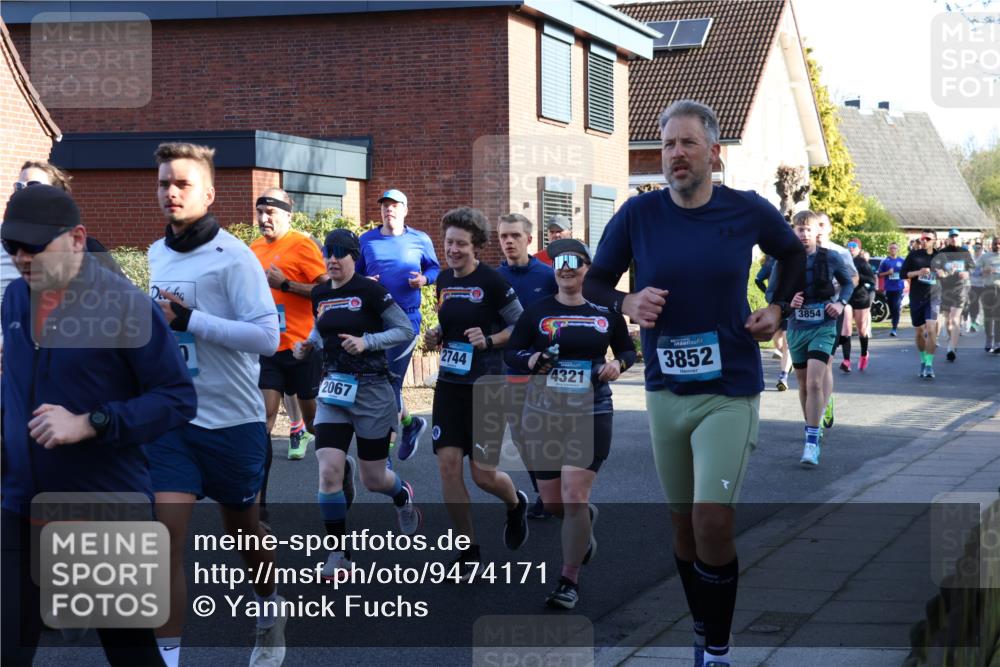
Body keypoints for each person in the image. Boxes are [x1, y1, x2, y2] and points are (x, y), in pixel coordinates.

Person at [583, 100, 805, 667]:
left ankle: (720, 652)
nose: (675, 154)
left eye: (686, 143)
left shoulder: (747, 210)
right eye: (667, 145)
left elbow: (792, 254)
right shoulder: (639, 215)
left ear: (713, 152)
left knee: (712, 518)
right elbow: (596, 283)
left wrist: (778, 308)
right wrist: (627, 301)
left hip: (729, 388)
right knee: (683, 528)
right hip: (664, 391)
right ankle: (704, 627)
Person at [1, 185, 196, 665]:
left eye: (34, 246)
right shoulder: (14, 300)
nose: (22, 258)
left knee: (130, 652)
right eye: (12, 247)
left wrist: (92, 422)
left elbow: (177, 399)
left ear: (77, 239)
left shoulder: (126, 306)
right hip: (18, 503)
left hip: (102, 505)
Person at [145, 143, 286, 667]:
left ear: (208, 193)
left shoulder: (235, 256)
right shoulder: (157, 254)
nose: (171, 192)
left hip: (232, 421)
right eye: (163, 183)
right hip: (173, 422)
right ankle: (169, 657)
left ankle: (270, 609)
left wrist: (190, 322)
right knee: (163, 540)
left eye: (182, 184)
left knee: (245, 533)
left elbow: (268, 339)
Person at [505, 237, 635, 609]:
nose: (566, 268)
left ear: (585, 269)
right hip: (543, 413)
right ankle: (583, 520)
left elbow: (627, 349)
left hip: (591, 410)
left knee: (575, 495)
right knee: (554, 502)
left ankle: (568, 580)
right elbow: (513, 351)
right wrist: (530, 361)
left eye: (574, 262)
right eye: (560, 261)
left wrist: (618, 365)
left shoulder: (604, 312)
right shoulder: (537, 311)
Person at [293, 229, 422, 580]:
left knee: (374, 479)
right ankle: (339, 554)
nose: (333, 259)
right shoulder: (320, 292)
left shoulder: (371, 290)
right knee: (328, 470)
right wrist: (308, 345)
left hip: (372, 391)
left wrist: (368, 342)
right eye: (328, 253)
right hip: (334, 389)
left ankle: (402, 495)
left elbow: (403, 331)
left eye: (340, 253)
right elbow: (322, 329)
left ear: (354, 257)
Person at [423, 206, 529, 576]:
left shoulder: (494, 282)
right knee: (448, 468)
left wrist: (490, 339)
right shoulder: (443, 281)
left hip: (487, 386)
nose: (453, 250)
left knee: (483, 474)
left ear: (477, 246)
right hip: (450, 385)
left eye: (461, 244)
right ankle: (468, 550)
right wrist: (436, 335)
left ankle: (516, 504)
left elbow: (522, 327)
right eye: (449, 242)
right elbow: (447, 325)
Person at [356, 189, 440, 462]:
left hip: (406, 319)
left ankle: (384, 451)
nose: (388, 210)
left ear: (405, 210)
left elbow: (435, 269)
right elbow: (353, 276)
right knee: (379, 380)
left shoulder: (420, 239)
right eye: (384, 206)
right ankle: (410, 424)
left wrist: (424, 280)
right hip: (374, 319)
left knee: (390, 382)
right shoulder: (366, 240)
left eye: (394, 206)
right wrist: (365, 283)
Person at [249, 189, 327, 481]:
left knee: (313, 425)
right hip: (268, 347)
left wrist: (286, 285)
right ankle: (259, 497)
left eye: (270, 213)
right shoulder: (254, 248)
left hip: (302, 347)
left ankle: (341, 467)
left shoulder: (302, 245)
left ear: (287, 215)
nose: (263, 219)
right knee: (263, 420)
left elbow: (325, 290)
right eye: (260, 212)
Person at [496, 213, 558, 519]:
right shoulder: (494, 278)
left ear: (529, 240)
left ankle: (558, 491)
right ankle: (542, 494)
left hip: (547, 371)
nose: (508, 241)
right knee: (521, 435)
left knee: (547, 435)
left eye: (515, 236)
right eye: (504, 236)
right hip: (512, 370)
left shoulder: (547, 276)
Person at [786, 212, 855, 466]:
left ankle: (811, 444)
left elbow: (848, 284)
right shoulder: (785, 259)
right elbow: (771, 290)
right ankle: (812, 426)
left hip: (824, 325)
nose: (803, 234)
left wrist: (840, 303)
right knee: (804, 385)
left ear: (818, 232)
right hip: (797, 327)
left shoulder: (832, 257)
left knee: (815, 382)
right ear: (793, 231)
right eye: (799, 229)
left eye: (808, 229)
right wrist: (786, 303)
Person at [814, 213, 857, 429]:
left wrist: (840, 300)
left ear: (830, 228)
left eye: (823, 225)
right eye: (816, 225)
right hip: (807, 314)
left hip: (832, 311)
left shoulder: (840, 252)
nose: (819, 229)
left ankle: (822, 408)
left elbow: (853, 279)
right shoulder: (803, 253)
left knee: (826, 362)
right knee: (809, 370)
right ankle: (819, 402)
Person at [901, 229, 942, 378]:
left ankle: (930, 365)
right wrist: (918, 272)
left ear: (934, 240)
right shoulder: (913, 255)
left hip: (934, 297)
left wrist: (942, 273)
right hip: (917, 297)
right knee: (919, 332)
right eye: (922, 238)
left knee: (931, 329)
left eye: (928, 238)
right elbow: (903, 274)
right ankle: (923, 361)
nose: (924, 241)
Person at [936, 229, 974, 363]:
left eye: (956, 236)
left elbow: (972, 267)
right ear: (948, 239)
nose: (953, 239)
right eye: (951, 236)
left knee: (954, 319)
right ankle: (952, 341)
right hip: (946, 288)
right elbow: (936, 267)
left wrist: (967, 273)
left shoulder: (965, 252)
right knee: (948, 322)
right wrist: (939, 271)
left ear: (959, 238)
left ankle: (951, 348)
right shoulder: (942, 252)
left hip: (960, 288)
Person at [838, 239, 876, 372]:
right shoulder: (842, 260)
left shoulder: (861, 262)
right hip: (846, 297)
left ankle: (864, 354)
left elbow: (871, 280)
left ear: (859, 249)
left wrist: (859, 277)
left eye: (854, 246)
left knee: (861, 330)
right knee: (846, 329)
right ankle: (846, 361)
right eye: (849, 246)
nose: (851, 248)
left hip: (861, 298)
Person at [757, 254, 793, 390]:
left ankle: (783, 377)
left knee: (786, 343)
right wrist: (768, 293)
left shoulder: (794, 259)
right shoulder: (770, 261)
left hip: (790, 306)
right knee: (778, 343)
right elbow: (758, 279)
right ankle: (790, 362)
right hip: (775, 306)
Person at [878, 242, 906, 336]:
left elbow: (906, 273)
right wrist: (887, 273)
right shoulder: (885, 261)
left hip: (899, 288)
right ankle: (894, 321)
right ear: (889, 250)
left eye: (895, 248)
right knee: (891, 308)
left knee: (896, 307)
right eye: (891, 248)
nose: (893, 250)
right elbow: (879, 274)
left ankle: (894, 328)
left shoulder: (902, 260)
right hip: (889, 288)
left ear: (897, 249)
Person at [977, 237, 1000, 353]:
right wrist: (983, 270)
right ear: (992, 245)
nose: (998, 246)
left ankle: (997, 342)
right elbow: (975, 271)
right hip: (987, 288)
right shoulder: (985, 256)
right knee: (988, 317)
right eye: (996, 244)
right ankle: (989, 339)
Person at [965, 242, 985, 333]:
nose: (977, 250)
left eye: (979, 248)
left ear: (982, 248)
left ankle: (980, 322)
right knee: (973, 305)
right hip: (973, 285)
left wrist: (981, 272)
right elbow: (968, 270)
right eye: (975, 248)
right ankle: (973, 324)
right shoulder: (971, 258)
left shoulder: (985, 257)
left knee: (984, 305)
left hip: (985, 285)